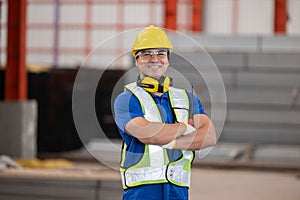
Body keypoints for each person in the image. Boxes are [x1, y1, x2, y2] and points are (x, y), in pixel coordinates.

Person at [114, 25, 216, 200]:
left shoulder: (187, 99)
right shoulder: (127, 99)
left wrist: (173, 143)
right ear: (137, 61)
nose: (155, 59)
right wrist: (185, 127)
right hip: (142, 193)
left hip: (178, 192)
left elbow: (209, 137)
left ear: (167, 59)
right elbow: (149, 135)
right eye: (147, 54)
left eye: (160, 53)